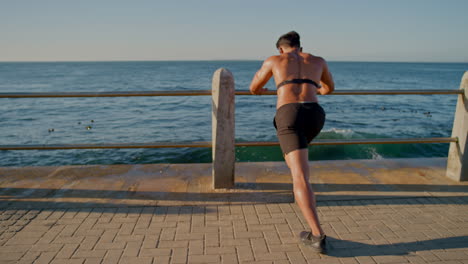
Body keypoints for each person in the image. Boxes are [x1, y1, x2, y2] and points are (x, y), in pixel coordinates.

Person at [249, 31, 334, 253]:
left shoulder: (274, 60)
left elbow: (254, 87)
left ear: (280, 49)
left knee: (299, 176)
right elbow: (329, 88)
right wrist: (317, 89)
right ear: (300, 47)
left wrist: (268, 90)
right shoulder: (317, 61)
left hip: (290, 113)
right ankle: (312, 222)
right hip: (315, 113)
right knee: (297, 166)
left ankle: (316, 235)